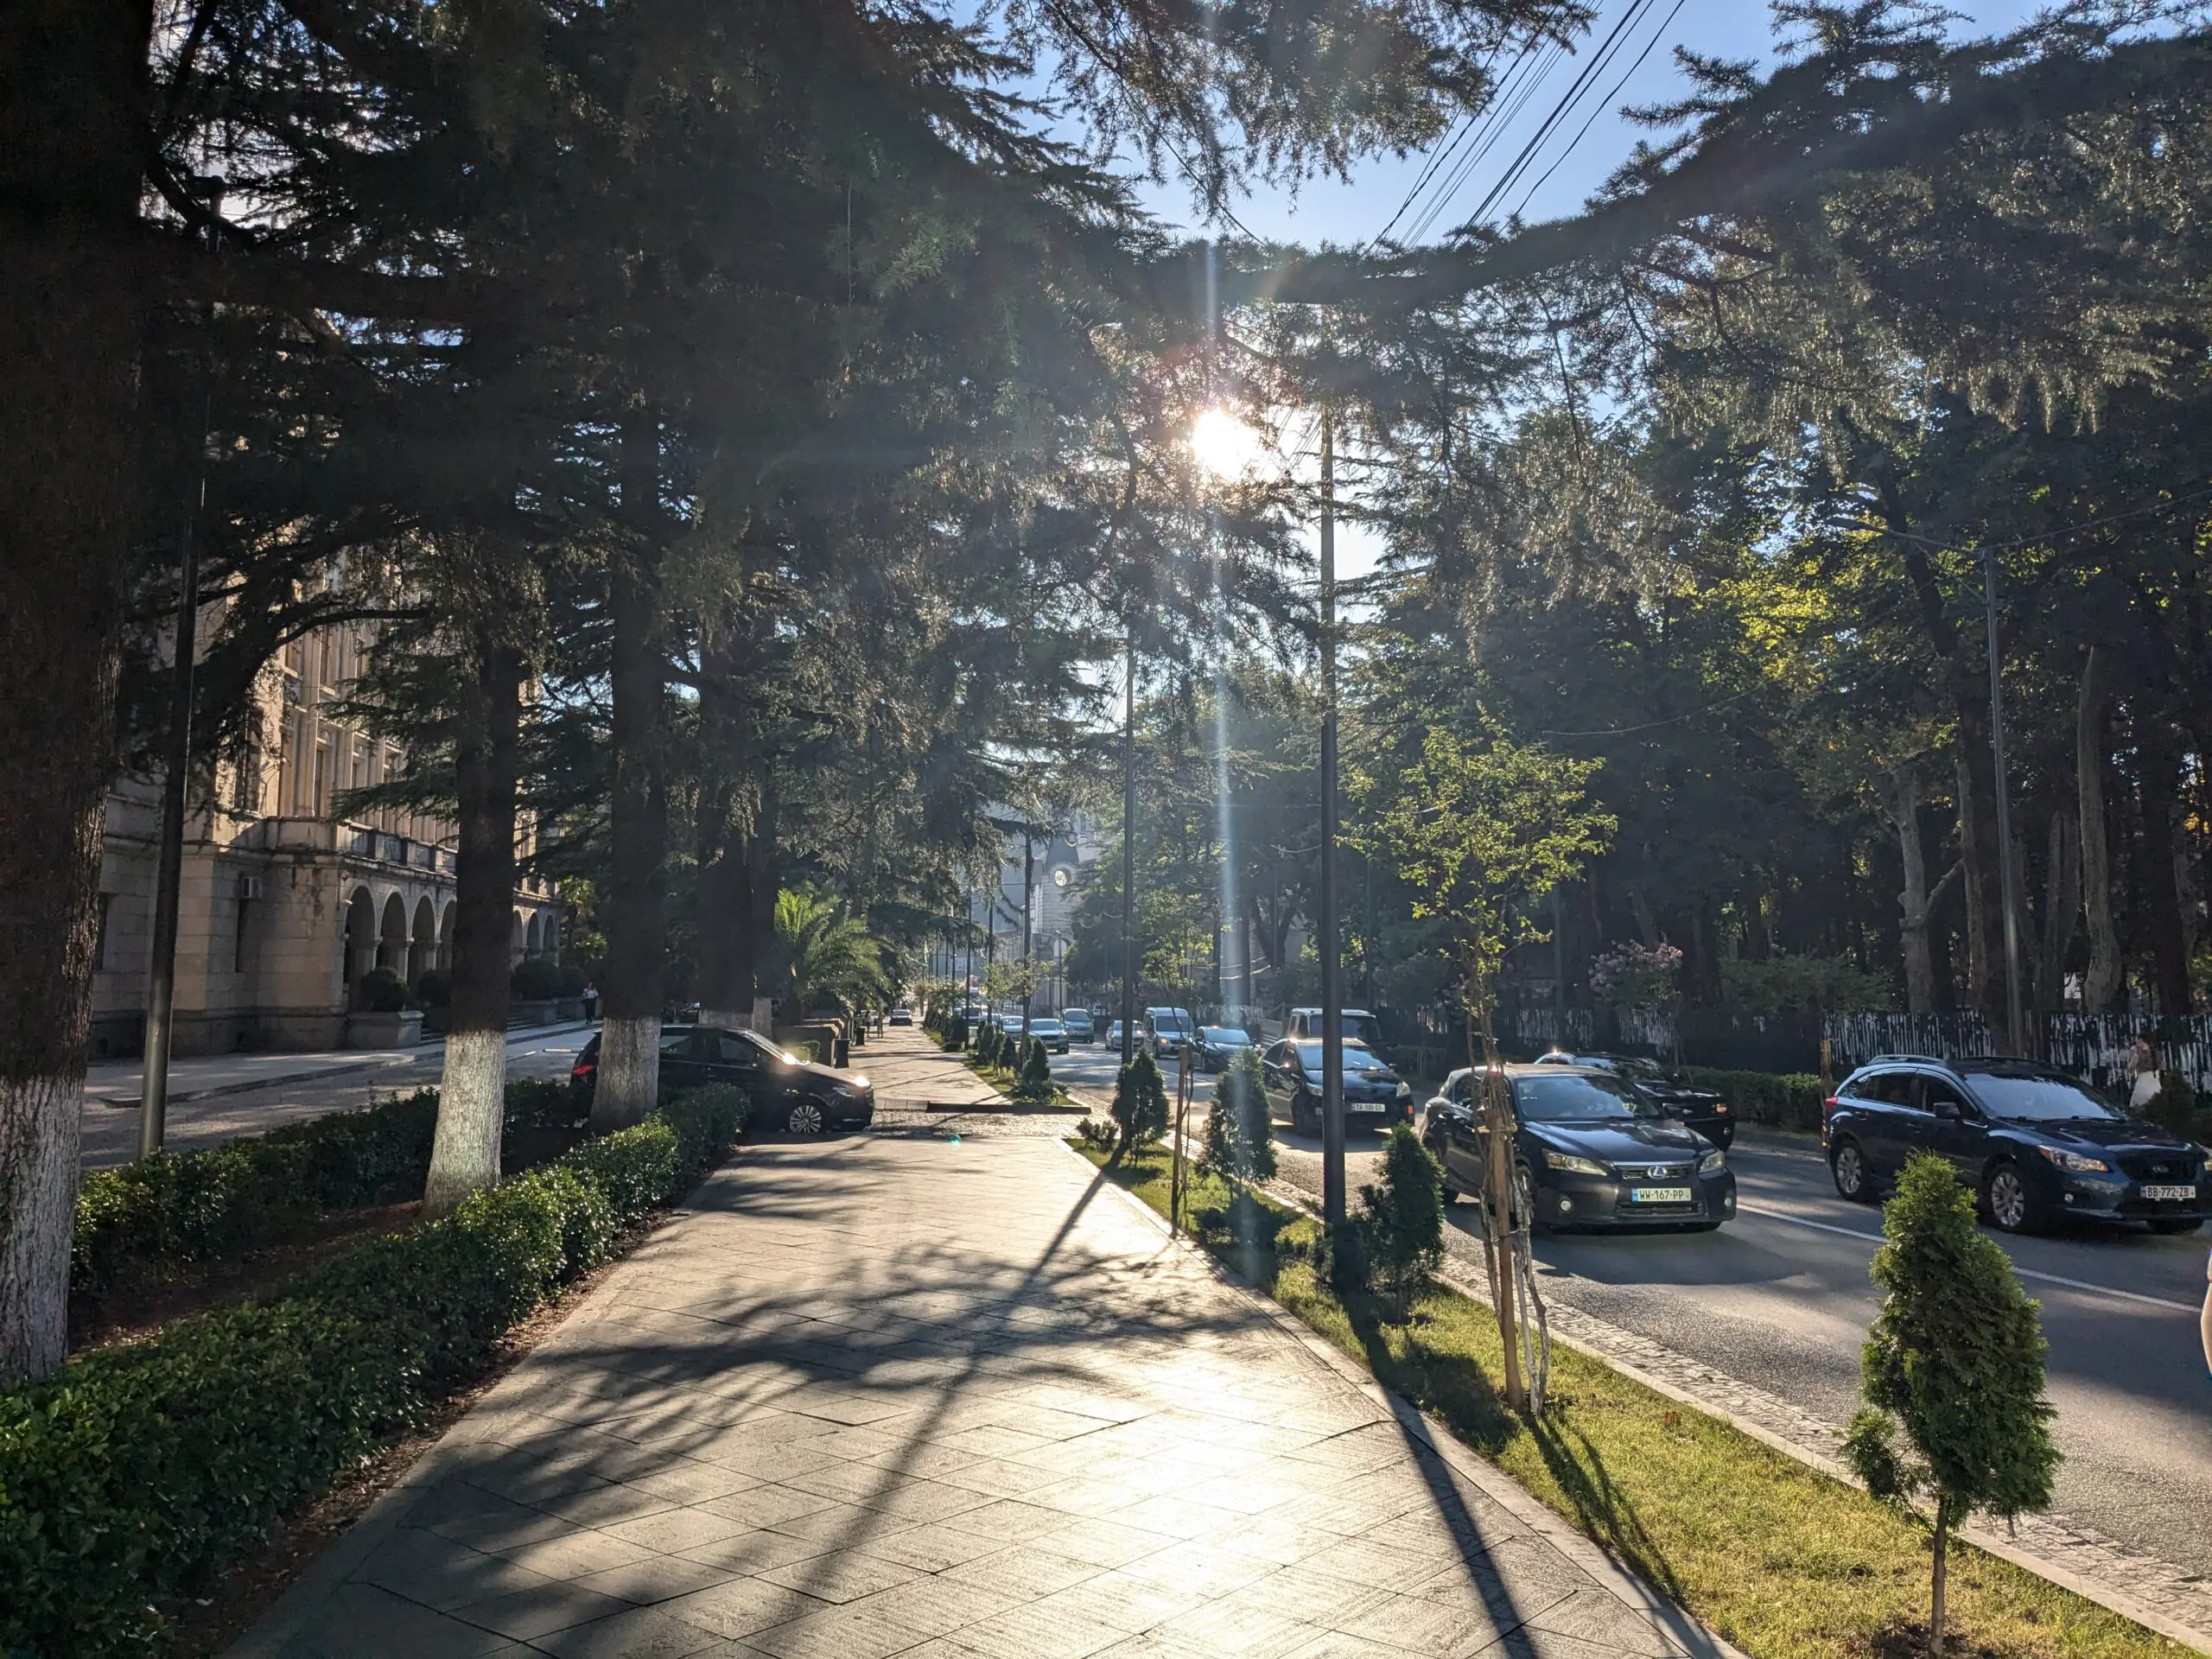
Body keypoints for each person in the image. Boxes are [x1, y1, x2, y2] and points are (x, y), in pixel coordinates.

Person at [2128, 1030, 2161, 1111]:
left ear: (2140, 1040)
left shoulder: (2137, 1052)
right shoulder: (2156, 1053)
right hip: (2156, 1087)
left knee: (2137, 1110)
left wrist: (2133, 1057)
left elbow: (2130, 1070)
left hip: (2143, 1086)